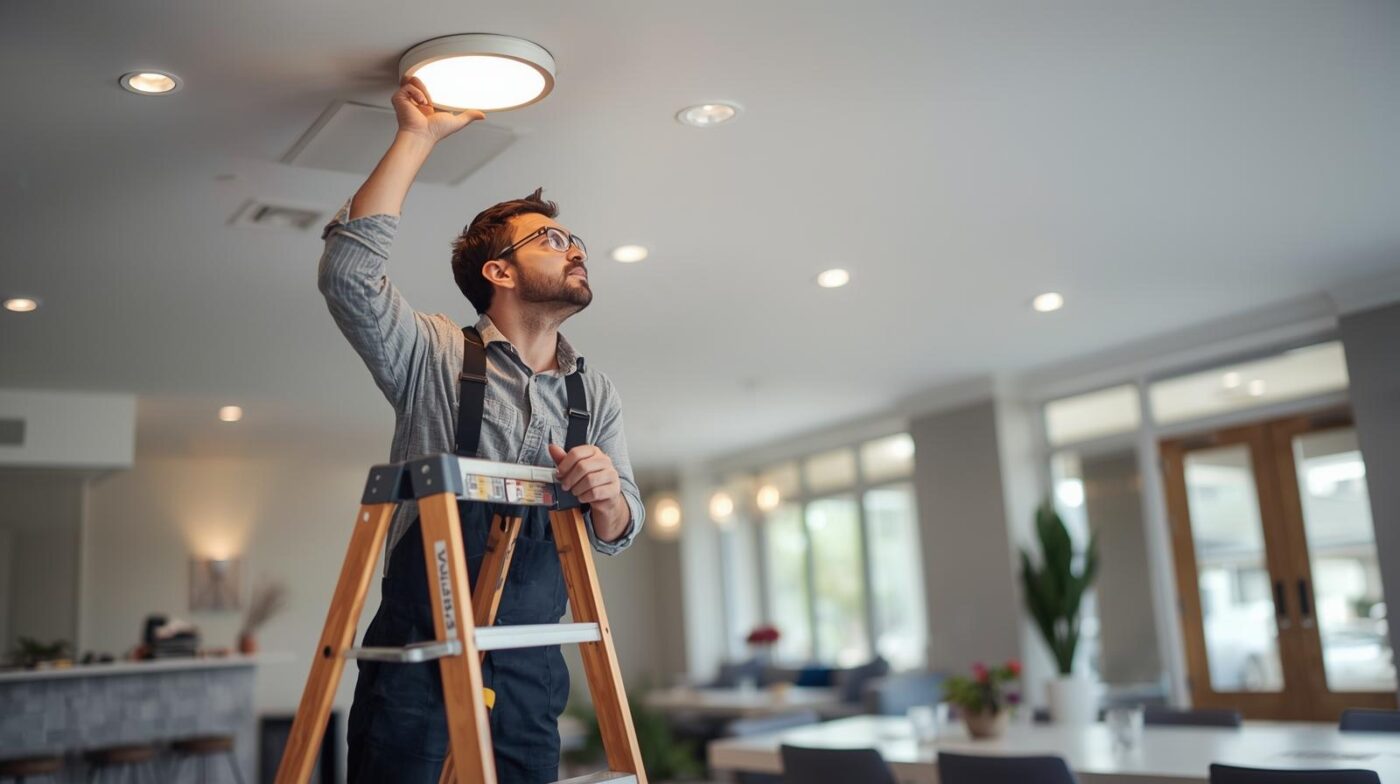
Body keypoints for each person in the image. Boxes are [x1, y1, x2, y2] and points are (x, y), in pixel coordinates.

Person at [318, 74, 644, 783]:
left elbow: (621, 530)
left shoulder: (596, 392)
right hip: (420, 656)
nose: (574, 248)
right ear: (498, 270)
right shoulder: (433, 354)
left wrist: (608, 496)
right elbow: (348, 278)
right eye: (551, 239)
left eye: (574, 239)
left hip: (531, 666)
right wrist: (415, 137)